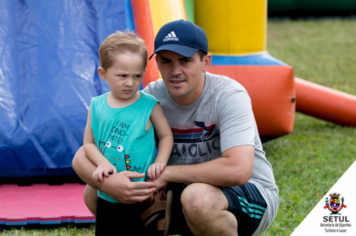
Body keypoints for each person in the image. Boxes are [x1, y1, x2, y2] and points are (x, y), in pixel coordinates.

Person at [72, 20, 279, 236]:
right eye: (166, 61)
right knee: (95, 192)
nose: (175, 71)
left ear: (206, 62)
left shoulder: (228, 96)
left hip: (246, 195)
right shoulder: (149, 99)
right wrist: (111, 185)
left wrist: (167, 173)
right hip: (176, 190)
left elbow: (238, 170)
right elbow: (81, 156)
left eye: (185, 60)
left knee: (197, 198)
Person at [82, 31, 173, 235]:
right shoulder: (96, 106)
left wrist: (161, 161)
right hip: (108, 196)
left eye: (137, 76)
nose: (130, 83)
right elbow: (88, 143)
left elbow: (166, 136)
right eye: (122, 76)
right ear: (103, 73)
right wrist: (103, 164)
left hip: (143, 194)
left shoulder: (149, 105)